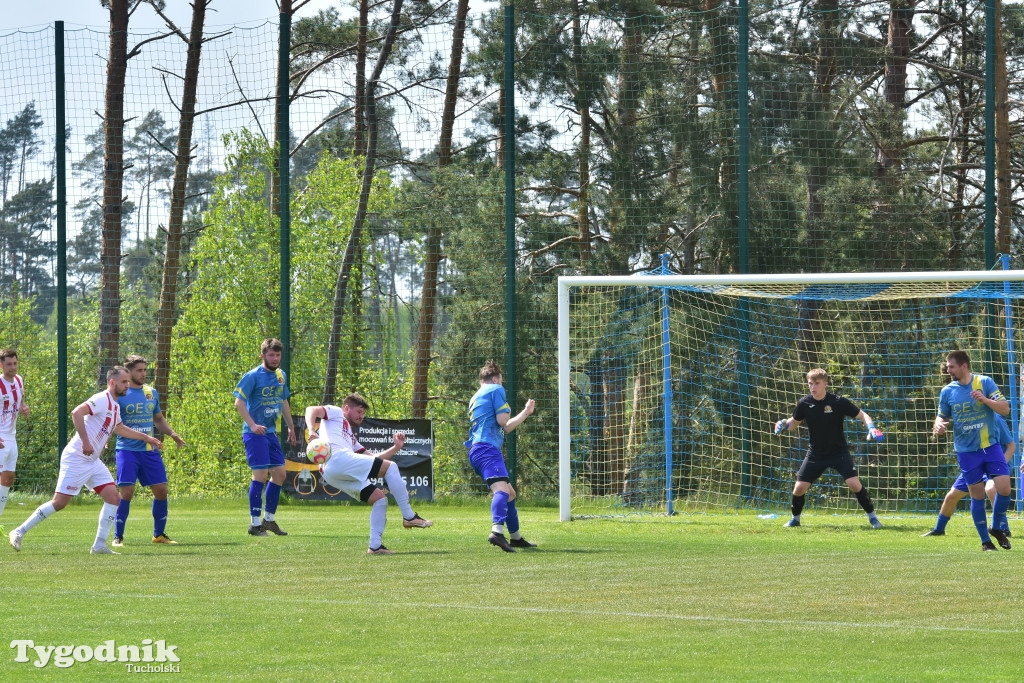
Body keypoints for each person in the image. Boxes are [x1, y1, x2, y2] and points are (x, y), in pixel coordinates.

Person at [8, 367, 163, 554]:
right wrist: (86, 442)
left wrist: (146, 438)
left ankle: (99, 545)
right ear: (112, 383)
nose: (127, 385)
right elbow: (77, 413)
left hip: (92, 461)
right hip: (76, 458)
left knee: (114, 497)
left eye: (128, 382)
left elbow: (119, 428)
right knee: (59, 503)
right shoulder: (102, 399)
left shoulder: (115, 405)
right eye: (124, 382)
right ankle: (19, 531)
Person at [305, 393, 432, 555]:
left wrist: (396, 447)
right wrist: (311, 431)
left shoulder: (350, 437)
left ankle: (375, 547)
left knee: (379, 499)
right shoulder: (336, 413)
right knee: (391, 467)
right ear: (346, 408)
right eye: (359, 412)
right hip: (336, 459)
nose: (361, 416)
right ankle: (409, 516)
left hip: (331, 472)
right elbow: (311, 409)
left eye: (363, 413)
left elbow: (372, 459)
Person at [774, 368, 884, 529]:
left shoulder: (837, 401)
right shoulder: (804, 403)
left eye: (817, 383)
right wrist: (782, 423)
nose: (813, 387)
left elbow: (863, 415)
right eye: (810, 383)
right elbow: (793, 424)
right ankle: (795, 520)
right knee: (799, 488)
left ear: (825, 383)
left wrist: (872, 428)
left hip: (838, 452)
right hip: (816, 454)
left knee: (854, 484)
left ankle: (873, 518)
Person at [932, 350, 1013, 551]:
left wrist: (985, 400)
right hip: (966, 452)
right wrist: (938, 425)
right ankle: (986, 542)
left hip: (990, 447)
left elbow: (1005, 408)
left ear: (964, 366)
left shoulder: (985, 382)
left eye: (951, 366)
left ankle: (996, 527)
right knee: (977, 495)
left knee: (1005, 489)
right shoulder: (947, 391)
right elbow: (942, 416)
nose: (948, 370)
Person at [112, 355, 186, 547]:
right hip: (127, 449)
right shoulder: (121, 394)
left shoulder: (151, 392)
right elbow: (111, 421)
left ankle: (159, 535)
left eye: (145, 370)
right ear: (129, 372)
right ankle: (118, 536)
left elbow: (158, 419)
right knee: (126, 492)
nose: (144, 374)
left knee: (161, 490)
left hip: (149, 450)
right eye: (139, 370)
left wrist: (172, 433)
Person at [466, 360, 536, 552]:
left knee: (510, 494)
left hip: (478, 450)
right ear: (495, 379)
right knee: (502, 491)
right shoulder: (496, 389)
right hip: (487, 449)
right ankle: (497, 532)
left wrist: (525, 413)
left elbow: (504, 428)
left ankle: (515, 537)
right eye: (501, 381)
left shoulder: (475, 397)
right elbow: (503, 420)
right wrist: (508, 410)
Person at [233, 338, 296, 537]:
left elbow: (283, 400)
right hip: (254, 434)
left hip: (270, 433)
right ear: (263, 355)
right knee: (260, 476)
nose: (275, 358)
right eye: (271, 355)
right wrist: (252, 424)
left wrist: (291, 427)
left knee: (280, 474)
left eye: (278, 355)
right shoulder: (253, 376)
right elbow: (239, 403)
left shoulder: (280, 375)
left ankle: (269, 520)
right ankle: (255, 524)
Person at [923, 413, 1015, 538]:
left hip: (995, 466)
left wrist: (1000, 469)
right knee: (952, 496)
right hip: (977, 466)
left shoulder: (996, 418)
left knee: (991, 488)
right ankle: (939, 529)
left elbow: (1011, 446)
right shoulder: (970, 419)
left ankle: (1003, 529)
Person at [0, 348, 30, 527]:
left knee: (8, 477)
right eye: (9, 364)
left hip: (12, 437)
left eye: (15, 363)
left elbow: (19, 400)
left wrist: (23, 407)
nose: (13, 367)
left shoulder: (19, 380)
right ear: (1, 365)